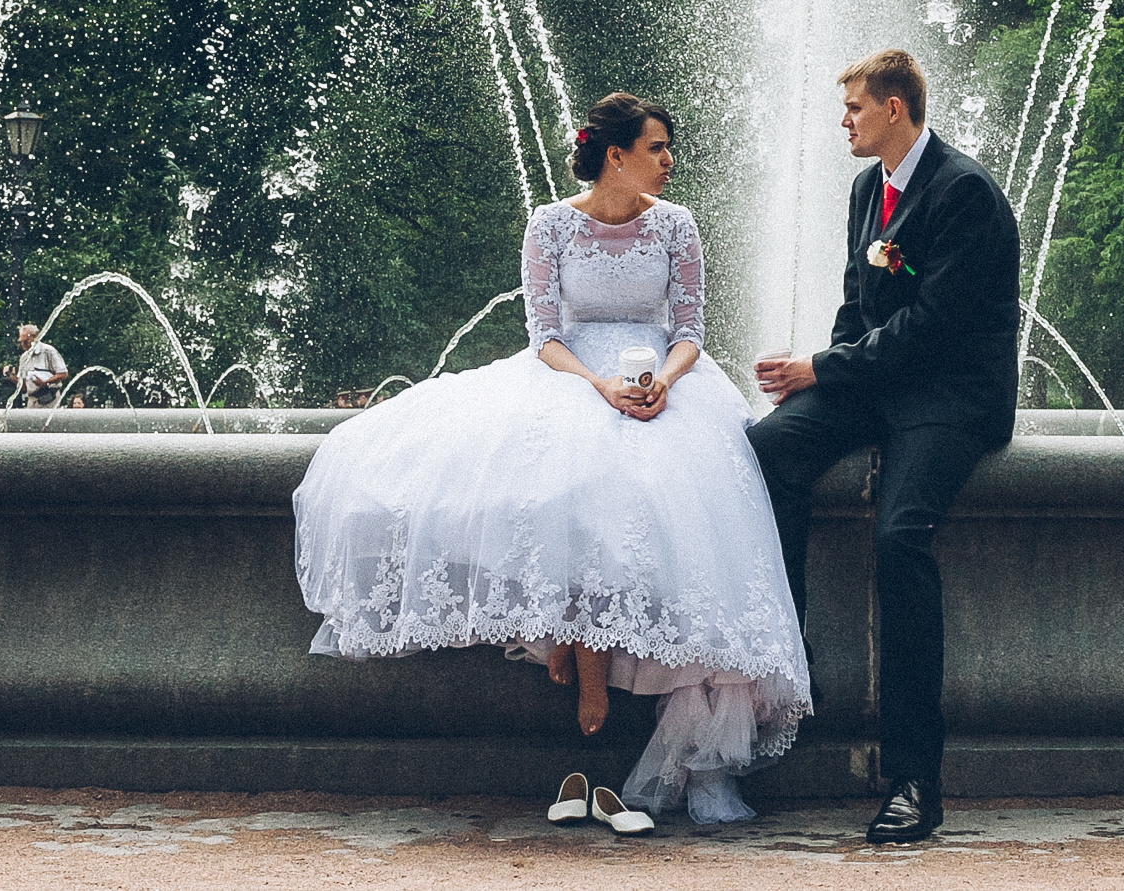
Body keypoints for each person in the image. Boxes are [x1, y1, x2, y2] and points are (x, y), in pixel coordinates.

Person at [293, 94, 809, 828]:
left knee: (707, 524)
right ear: (614, 154)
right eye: (658, 147)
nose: (669, 161)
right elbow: (543, 334)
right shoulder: (551, 223)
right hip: (572, 378)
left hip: (668, 382)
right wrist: (598, 385)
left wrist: (663, 379)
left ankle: (706, 760)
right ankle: (569, 645)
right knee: (566, 489)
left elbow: (691, 328)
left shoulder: (676, 225)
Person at [750, 49, 1020, 846]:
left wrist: (824, 366)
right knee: (769, 447)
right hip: (881, 383)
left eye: (855, 109)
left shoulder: (964, 191)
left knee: (900, 536)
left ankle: (914, 779)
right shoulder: (869, 188)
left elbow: (932, 329)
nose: (844, 122)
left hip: (950, 394)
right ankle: (788, 648)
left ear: (895, 109)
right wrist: (819, 379)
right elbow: (856, 304)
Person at [1, 324, 68, 407]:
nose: (23, 344)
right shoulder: (24, 357)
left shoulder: (48, 351)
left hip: (50, 398)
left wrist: (46, 382)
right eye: (21, 341)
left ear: (35, 337)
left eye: (25, 341)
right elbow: (24, 387)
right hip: (32, 400)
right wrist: (12, 376)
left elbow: (63, 374)